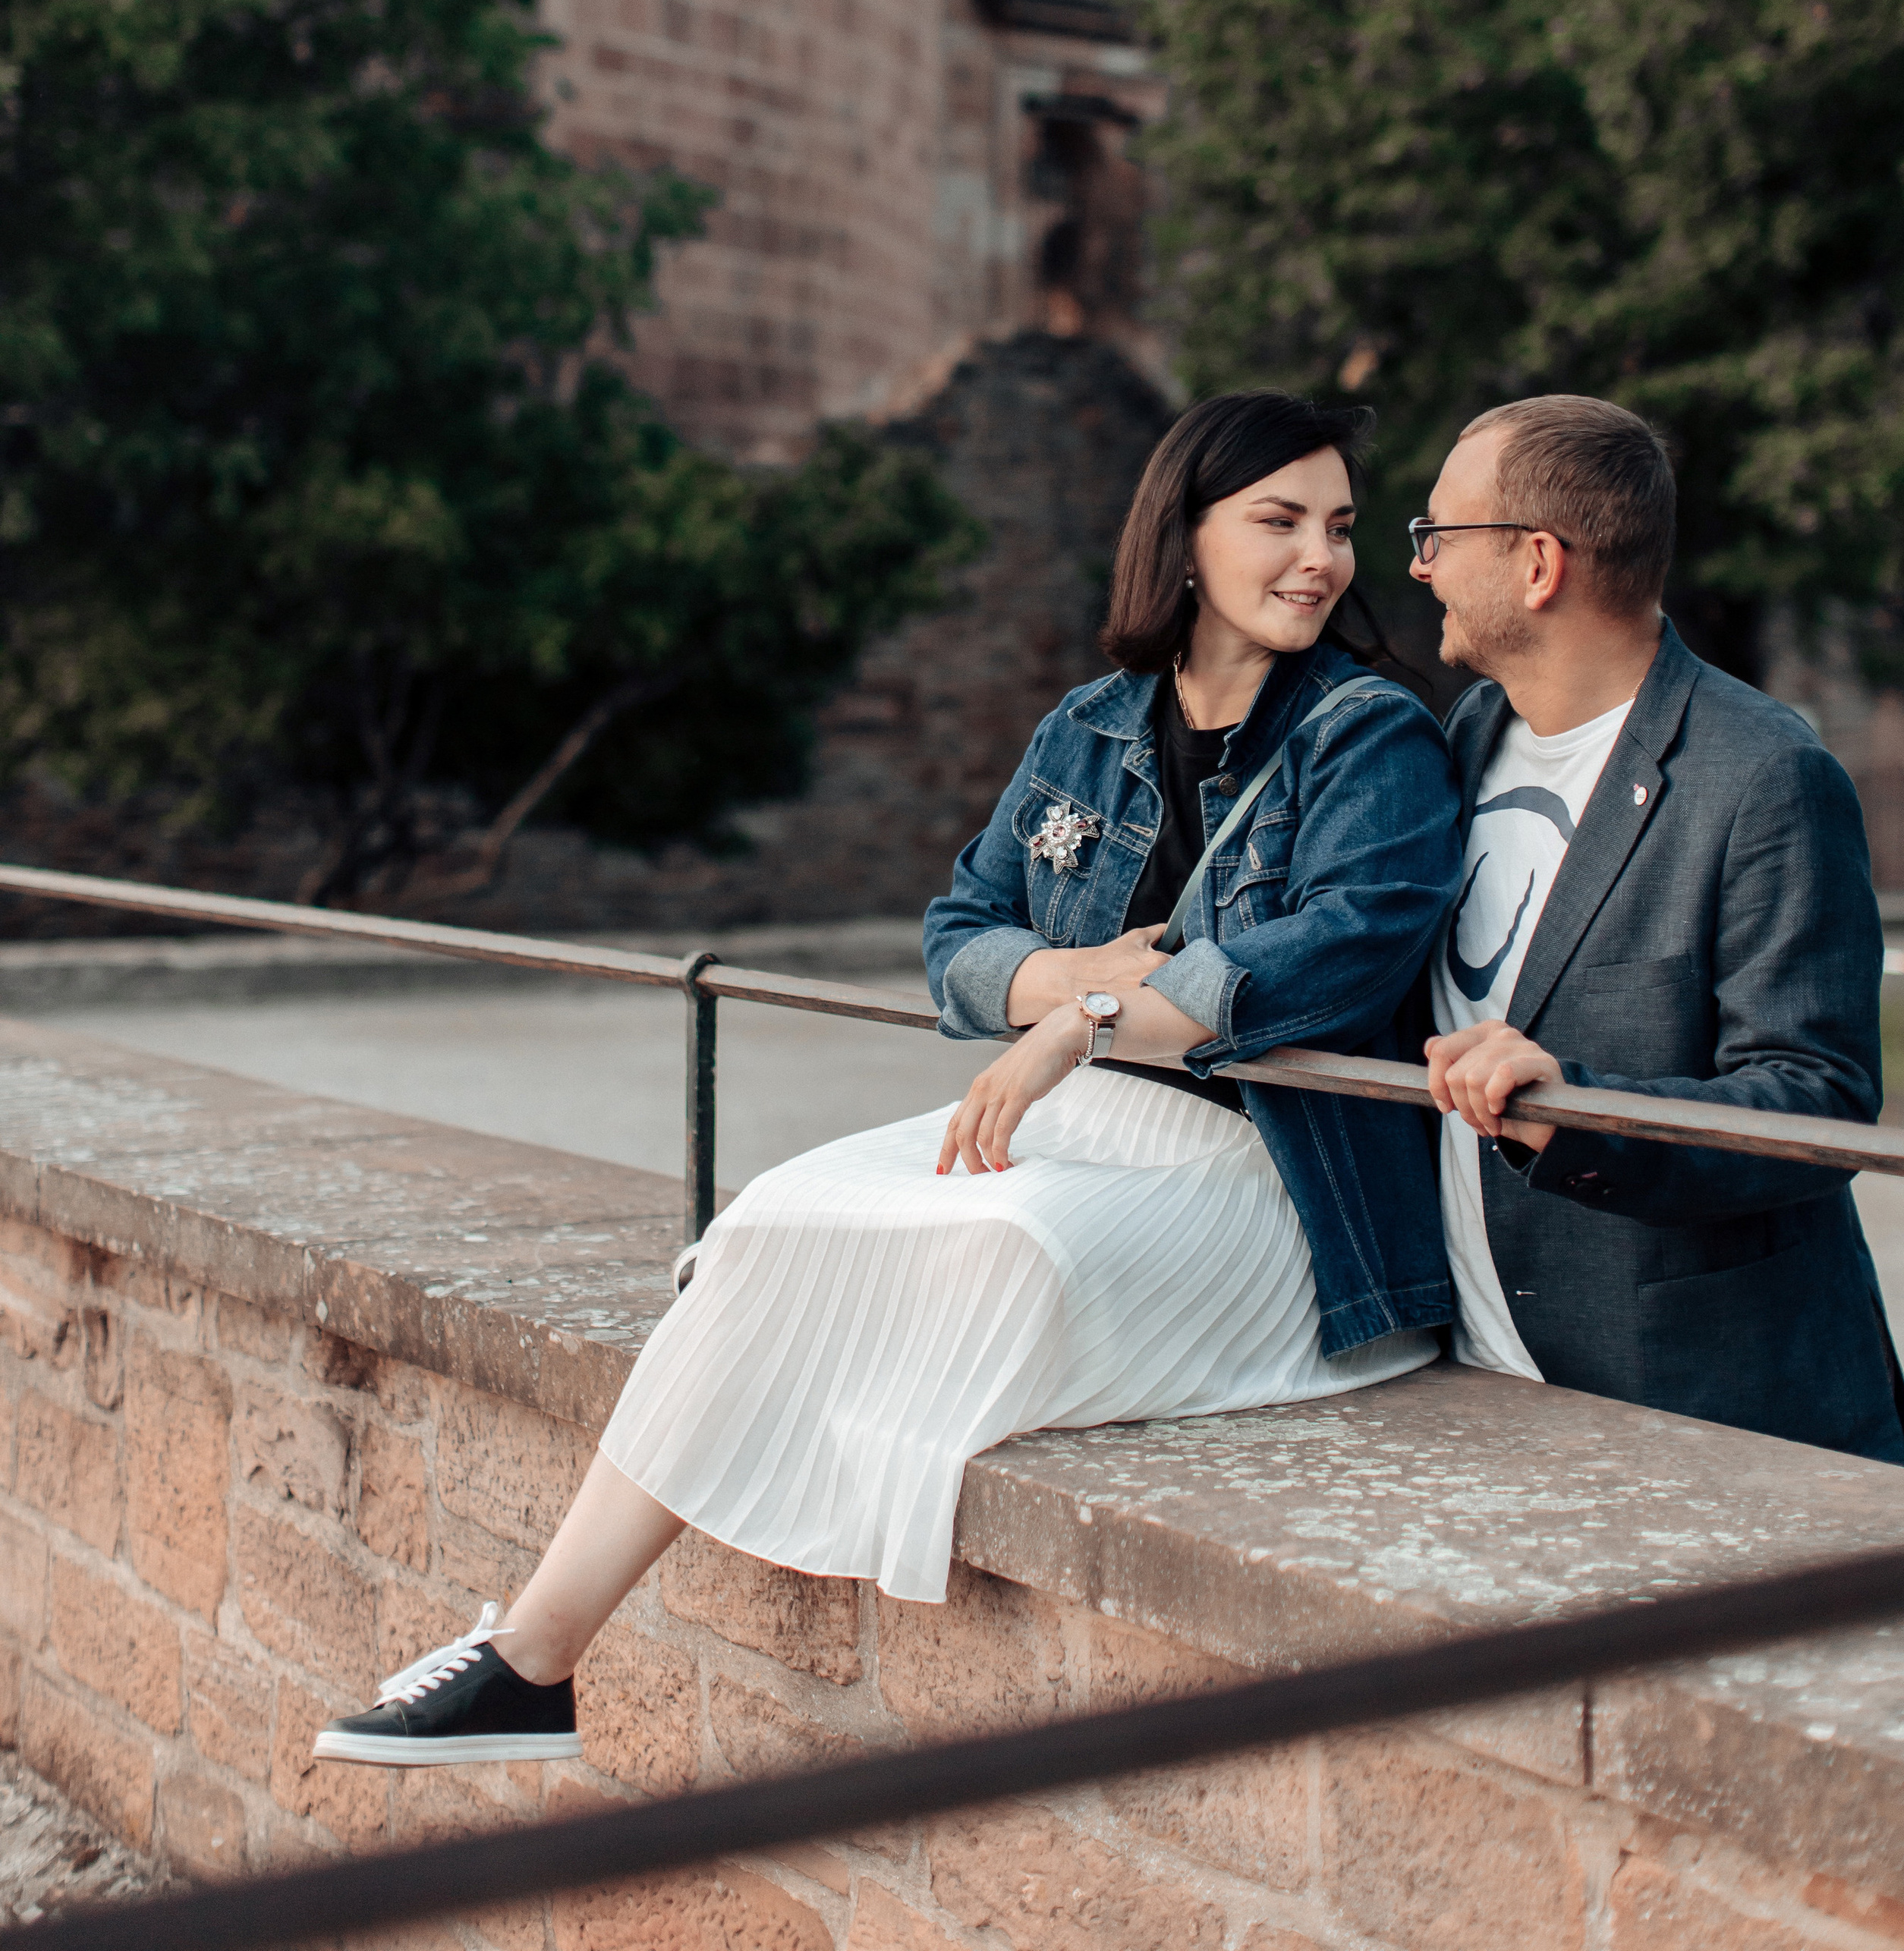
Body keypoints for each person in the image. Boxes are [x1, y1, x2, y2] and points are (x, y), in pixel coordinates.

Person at [312, 392, 1463, 1767]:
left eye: (1337, 528)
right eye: (1277, 522)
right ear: (1185, 538)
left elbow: (1328, 963)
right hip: (1087, 1120)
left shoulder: (1368, 735)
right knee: (772, 1219)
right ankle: (531, 1661)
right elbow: (958, 941)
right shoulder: (1092, 727)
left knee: (1003, 1241)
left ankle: (532, 1657)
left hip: (1272, 1174)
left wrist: (1081, 1014)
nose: (1319, 559)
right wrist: (1076, 989)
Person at [1416, 392, 1904, 1465]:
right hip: (1478, 1389)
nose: (1420, 567)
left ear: (1537, 563)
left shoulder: (1765, 775)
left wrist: (1578, 1110)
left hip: (1693, 1410)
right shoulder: (1468, 736)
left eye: (1439, 537)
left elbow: (1818, 1102)